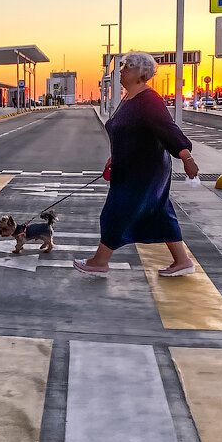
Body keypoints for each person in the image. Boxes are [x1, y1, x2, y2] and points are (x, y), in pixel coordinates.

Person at [73, 51, 199, 277]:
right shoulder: (129, 99)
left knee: (115, 212)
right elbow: (126, 133)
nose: (121, 71)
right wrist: (115, 158)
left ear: (140, 73)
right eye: (122, 67)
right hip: (130, 167)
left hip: (144, 171)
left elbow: (168, 129)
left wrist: (187, 158)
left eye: (126, 68)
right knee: (158, 214)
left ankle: (100, 261)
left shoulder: (148, 100)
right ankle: (182, 261)